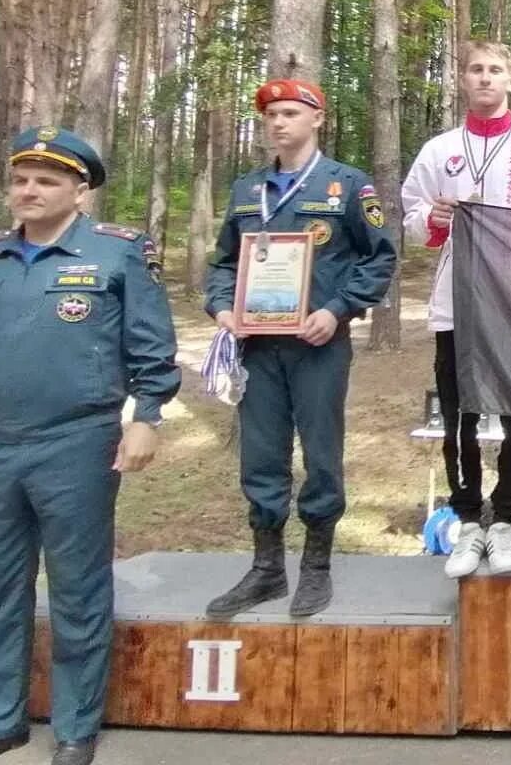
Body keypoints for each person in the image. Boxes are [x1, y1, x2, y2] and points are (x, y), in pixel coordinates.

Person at [0, 128, 179, 765]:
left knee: (77, 589)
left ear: (80, 191)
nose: (29, 191)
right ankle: (1, 718)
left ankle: (75, 725)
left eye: (46, 180)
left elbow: (152, 346)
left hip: (77, 443)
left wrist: (146, 416)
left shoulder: (117, 254)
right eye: (20, 179)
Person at [204, 80, 398, 619]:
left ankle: (316, 568)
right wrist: (222, 307)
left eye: (290, 112)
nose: (278, 122)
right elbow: (222, 262)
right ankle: (267, 569)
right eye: (270, 114)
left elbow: (379, 257)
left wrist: (336, 309)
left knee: (321, 453)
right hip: (257, 347)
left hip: (317, 345)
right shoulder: (248, 190)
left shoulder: (347, 187)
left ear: (318, 119)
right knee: (261, 455)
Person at [402, 42, 511, 578]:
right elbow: (411, 217)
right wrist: (432, 217)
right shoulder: (440, 150)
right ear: (463, 80)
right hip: (455, 305)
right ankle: (468, 517)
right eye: (476, 70)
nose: (485, 79)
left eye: (495, 70)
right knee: (460, 416)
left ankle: (505, 516)